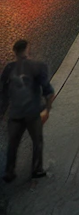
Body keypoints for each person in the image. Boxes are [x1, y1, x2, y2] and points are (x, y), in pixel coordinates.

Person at [2, 39, 54, 182]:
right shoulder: (38, 66)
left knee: (13, 143)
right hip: (32, 113)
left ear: (15, 53)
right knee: (37, 141)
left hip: (16, 114)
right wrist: (47, 110)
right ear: (28, 50)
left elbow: (4, 94)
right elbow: (48, 91)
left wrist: (2, 113)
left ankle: (9, 171)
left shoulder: (8, 69)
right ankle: (36, 169)